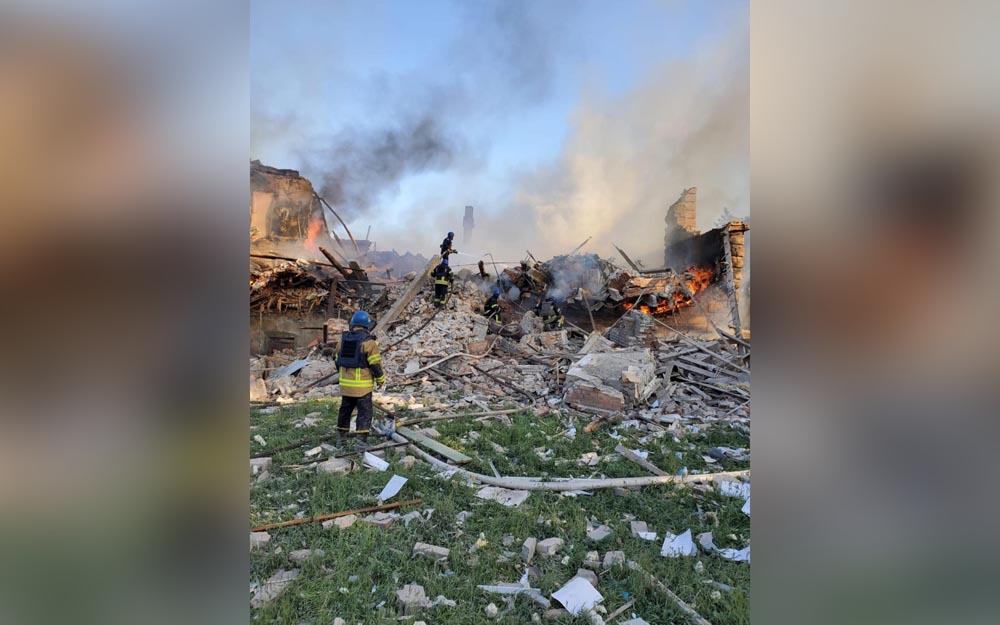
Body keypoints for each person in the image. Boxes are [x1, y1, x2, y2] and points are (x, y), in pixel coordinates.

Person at [334, 310, 386, 452]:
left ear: (352, 324)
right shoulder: (369, 343)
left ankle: (341, 441)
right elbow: (375, 365)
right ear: (367, 325)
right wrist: (381, 380)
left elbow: (337, 361)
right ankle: (360, 444)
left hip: (346, 387)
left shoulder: (342, 340)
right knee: (364, 414)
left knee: (344, 412)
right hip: (363, 388)